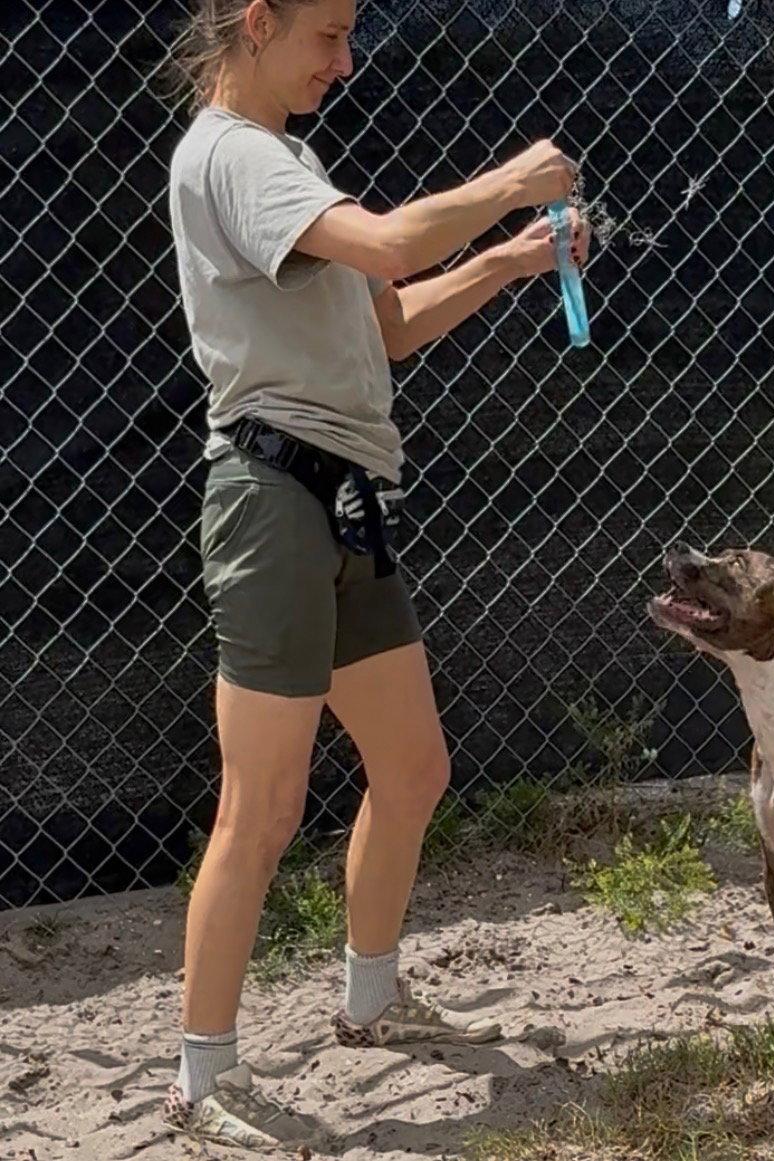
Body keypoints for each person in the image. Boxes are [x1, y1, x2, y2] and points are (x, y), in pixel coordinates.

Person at [163, 0, 588, 1148]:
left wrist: (511, 258)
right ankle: (204, 1081)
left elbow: (388, 322)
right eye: (328, 35)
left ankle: (372, 999)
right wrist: (508, 183)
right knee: (261, 809)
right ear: (256, 24)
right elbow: (396, 244)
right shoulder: (231, 156)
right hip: (272, 502)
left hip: (347, 500)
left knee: (411, 768)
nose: (343, 62)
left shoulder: (288, 157)